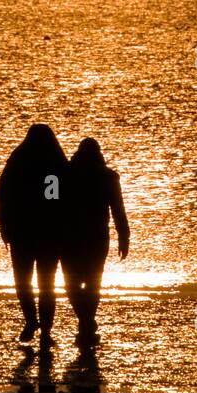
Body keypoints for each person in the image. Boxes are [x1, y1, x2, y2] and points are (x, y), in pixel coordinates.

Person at [0, 124, 68, 345]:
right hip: (48, 233)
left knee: (23, 281)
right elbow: (55, 199)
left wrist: (4, 227)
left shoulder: (17, 161)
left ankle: (32, 322)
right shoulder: (54, 163)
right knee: (47, 283)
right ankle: (44, 329)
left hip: (22, 232)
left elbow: (2, 197)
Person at [61, 138, 129, 346]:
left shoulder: (60, 175)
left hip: (67, 237)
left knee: (71, 283)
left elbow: (50, 204)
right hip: (97, 237)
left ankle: (85, 321)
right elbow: (118, 209)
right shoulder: (109, 177)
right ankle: (87, 321)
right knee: (93, 281)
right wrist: (124, 236)